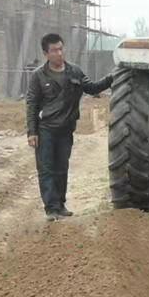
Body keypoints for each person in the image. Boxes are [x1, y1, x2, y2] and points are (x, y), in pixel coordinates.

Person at [26, 33, 113, 220]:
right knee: (46, 169)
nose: (59, 53)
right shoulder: (38, 76)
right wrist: (32, 132)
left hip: (66, 130)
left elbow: (93, 88)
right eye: (54, 50)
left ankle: (61, 205)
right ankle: (51, 209)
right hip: (46, 129)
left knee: (61, 168)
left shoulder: (75, 72)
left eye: (60, 48)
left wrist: (112, 77)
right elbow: (31, 104)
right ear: (46, 54)